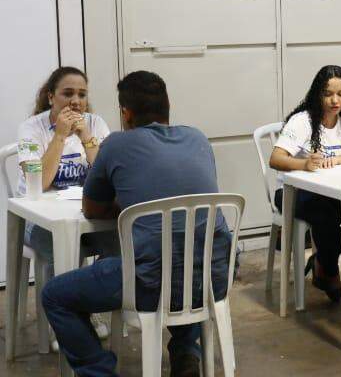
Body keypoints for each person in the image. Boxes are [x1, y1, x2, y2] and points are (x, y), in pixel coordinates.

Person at [41, 71, 233, 377]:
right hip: (215, 276)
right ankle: (186, 355)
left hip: (149, 282)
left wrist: (130, 203)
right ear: (167, 107)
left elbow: (91, 208)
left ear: (126, 113)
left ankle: (98, 371)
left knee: (54, 295)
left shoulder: (117, 145)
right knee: (187, 256)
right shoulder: (197, 137)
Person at [17, 66, 114, 342]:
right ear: (51, 97)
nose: (76, 101)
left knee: (120, 243)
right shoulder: (31, 128)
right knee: (57, 248)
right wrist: (60, 136)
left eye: (82, 95)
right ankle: (66, 321)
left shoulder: (95, 124)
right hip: (40, 222)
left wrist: (86, 138)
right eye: (67, 93)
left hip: (84, 217)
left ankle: (88, 306)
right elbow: (43, 182)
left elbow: (106, 176)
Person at [269, 65, 341, 302]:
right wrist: (304, 164)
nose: (335, 100)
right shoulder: (303, 121)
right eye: (328, 94)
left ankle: (323, 263)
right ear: (317, 94)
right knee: (328, 218)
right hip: (293, 192)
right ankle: (326, 267)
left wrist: (337, 159)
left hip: (332, 191)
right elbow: (275, 159)